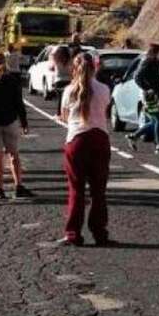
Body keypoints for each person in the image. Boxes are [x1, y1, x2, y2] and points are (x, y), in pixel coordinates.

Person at [58, 52, 112, 246]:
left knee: (76, 189)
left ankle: (73, 233)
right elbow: (104, 112)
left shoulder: (69, 90)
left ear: (74, 68)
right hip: (99, 138)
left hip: (77, 140)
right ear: (95, 67)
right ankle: (99, 232)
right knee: (99, 191)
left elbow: (64, 116)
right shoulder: (104, 89)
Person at [0, 52, 33, 200]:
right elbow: (19, 103)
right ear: (5, 62)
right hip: (10, 121)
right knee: (14, 155)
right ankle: (18, 186)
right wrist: (24, 122)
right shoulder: (13, 81)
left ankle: (0, 189)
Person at [126, 44, 159, 153]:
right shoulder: (147, 61)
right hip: (151, 95)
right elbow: (137, 76)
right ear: (156, 52)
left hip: (158, 93)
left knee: (156, 120)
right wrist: (147, 88)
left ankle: (134, 136)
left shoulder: (156, 62)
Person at [49, 45, 72, 116]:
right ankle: (67, 113)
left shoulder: (56, 60)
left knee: (60, 99)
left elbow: (50, 68)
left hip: (58, 81)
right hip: (69, 81)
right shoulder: (70, 61)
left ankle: (59, 114)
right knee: (68, 99)